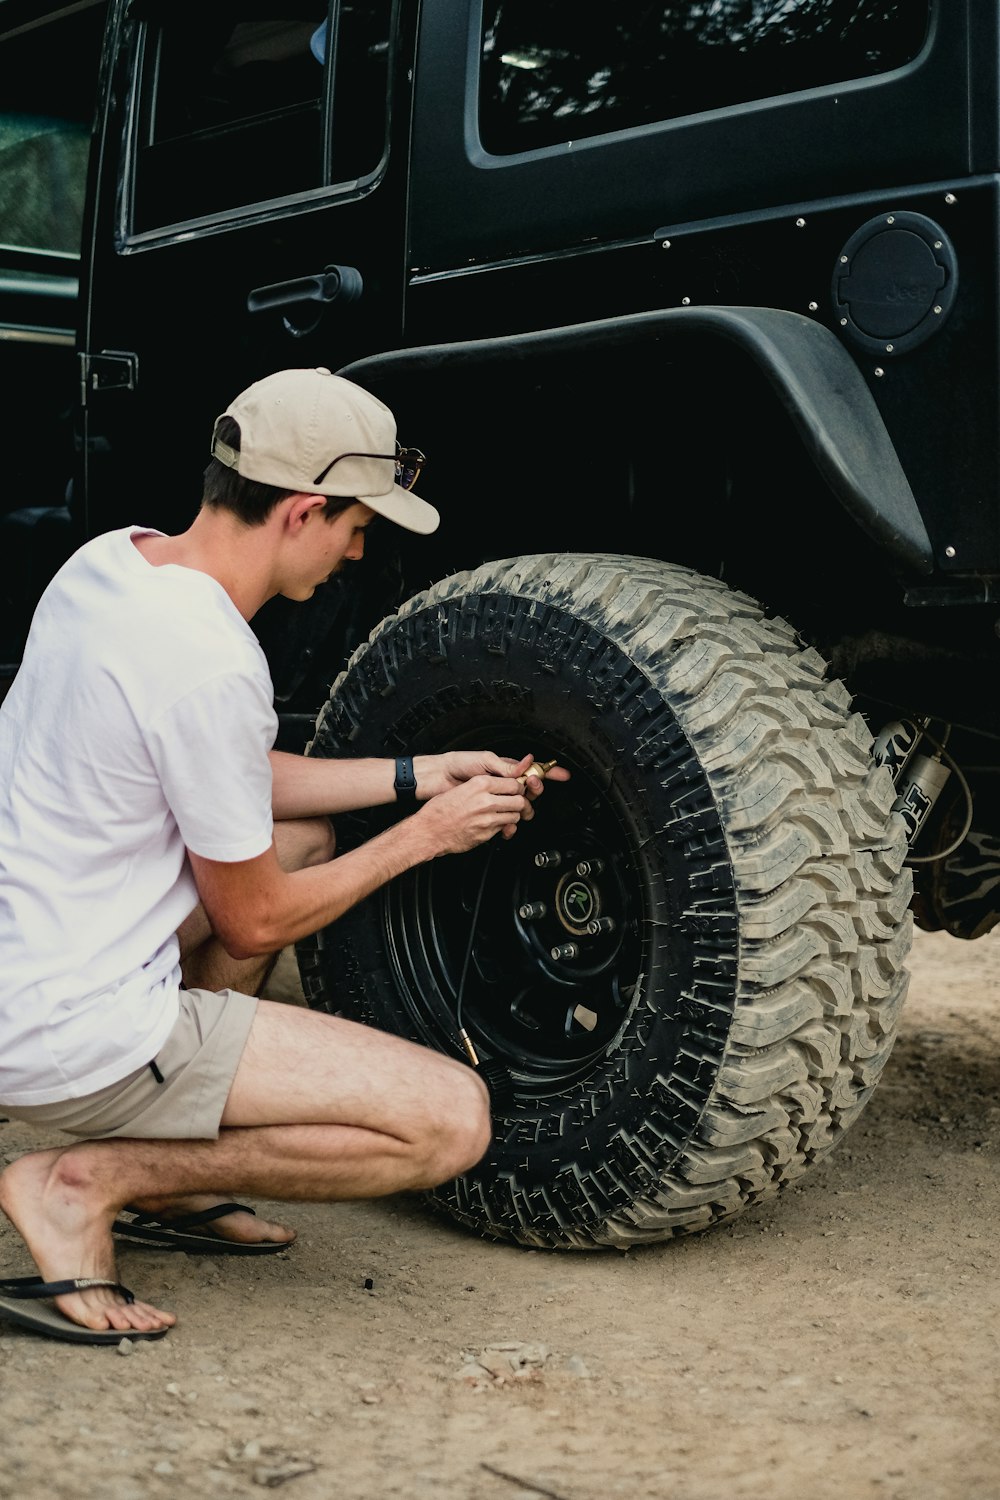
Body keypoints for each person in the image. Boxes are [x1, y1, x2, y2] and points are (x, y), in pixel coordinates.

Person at [0, 366, 568, 1345]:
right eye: (356, 524)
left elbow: (223, 771)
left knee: (300, 841)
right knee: (450, 1119)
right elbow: (253, 921)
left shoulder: (111, 563)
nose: (358, 549)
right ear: (303, 510)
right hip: (68, 1029)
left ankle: (163, 1177)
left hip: (26, 955)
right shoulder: (214, 658)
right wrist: (425, 837)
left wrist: (416, 774)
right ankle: (89, 1178)